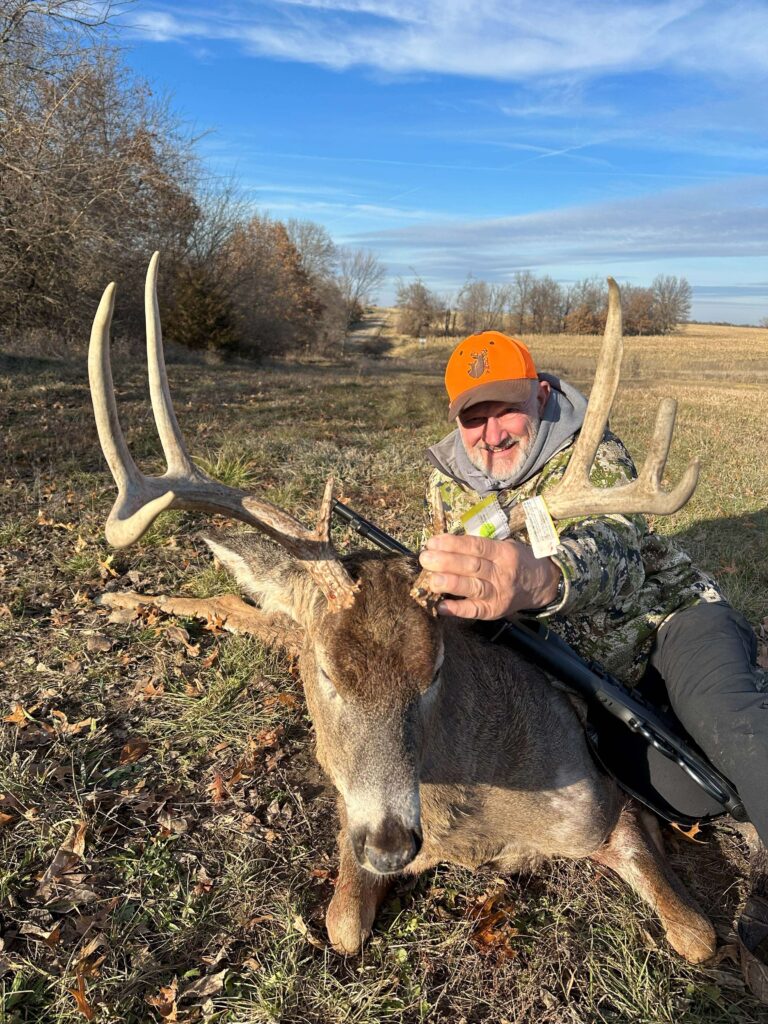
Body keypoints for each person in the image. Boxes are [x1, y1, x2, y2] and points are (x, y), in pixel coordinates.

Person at [417, 329, 768, 998]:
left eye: (506, 409)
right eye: (473, 417)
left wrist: (542, 581)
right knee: (690, 796)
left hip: (668, 625)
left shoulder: (590, 452)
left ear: (542, 395)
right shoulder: (447, 491)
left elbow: (618, 548)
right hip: (589, 685)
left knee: (734, 728)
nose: (491, 435)